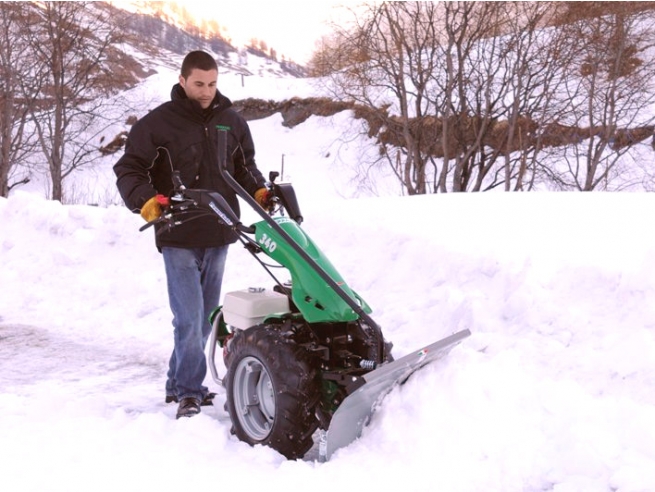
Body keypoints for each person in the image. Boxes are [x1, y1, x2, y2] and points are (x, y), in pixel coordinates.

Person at [113, 50, 270, 419]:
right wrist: (147, 202)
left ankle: (175, 382)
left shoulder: (231, 121)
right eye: (199, 84)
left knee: (201, 320)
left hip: (219, 229)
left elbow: (245, 169)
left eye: (212, 84)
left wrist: (261, 191)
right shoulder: (158, 124)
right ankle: (189, 392)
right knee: (188, 317)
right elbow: (129, 169)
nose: (206, 91)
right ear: (182, 81)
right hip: (178, 230)